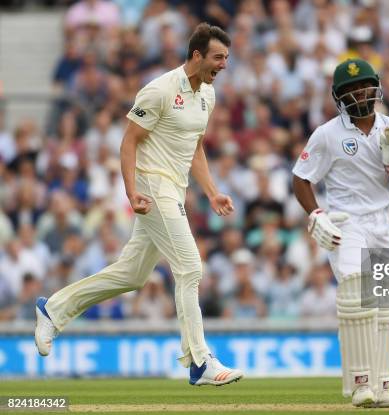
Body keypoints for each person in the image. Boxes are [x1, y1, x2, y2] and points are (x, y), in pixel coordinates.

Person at [34, 22, 244, 387]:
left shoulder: (207, 95)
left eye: (226, 57)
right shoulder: (159, 90)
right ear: (196, 56)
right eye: (218, 57)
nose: (224, 64)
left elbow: (194, 148)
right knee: (190, 268)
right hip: (152, 185)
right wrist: (131, 192)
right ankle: (200, 361)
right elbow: (128, 142)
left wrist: (212, 191)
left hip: (175, 190)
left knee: (132, 274)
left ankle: (52, 310)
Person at [292, 59, 389, 407]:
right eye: (349, 89)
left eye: (363, 85)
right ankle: (360, 384)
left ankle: (380, 388)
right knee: (355, 292)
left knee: (384, 306)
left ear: (375, 87)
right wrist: (316, 213)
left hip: (383, 220)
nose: (358, 93)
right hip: (346, 222)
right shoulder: (327, 134)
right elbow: (301, 178)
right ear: (339, 96)